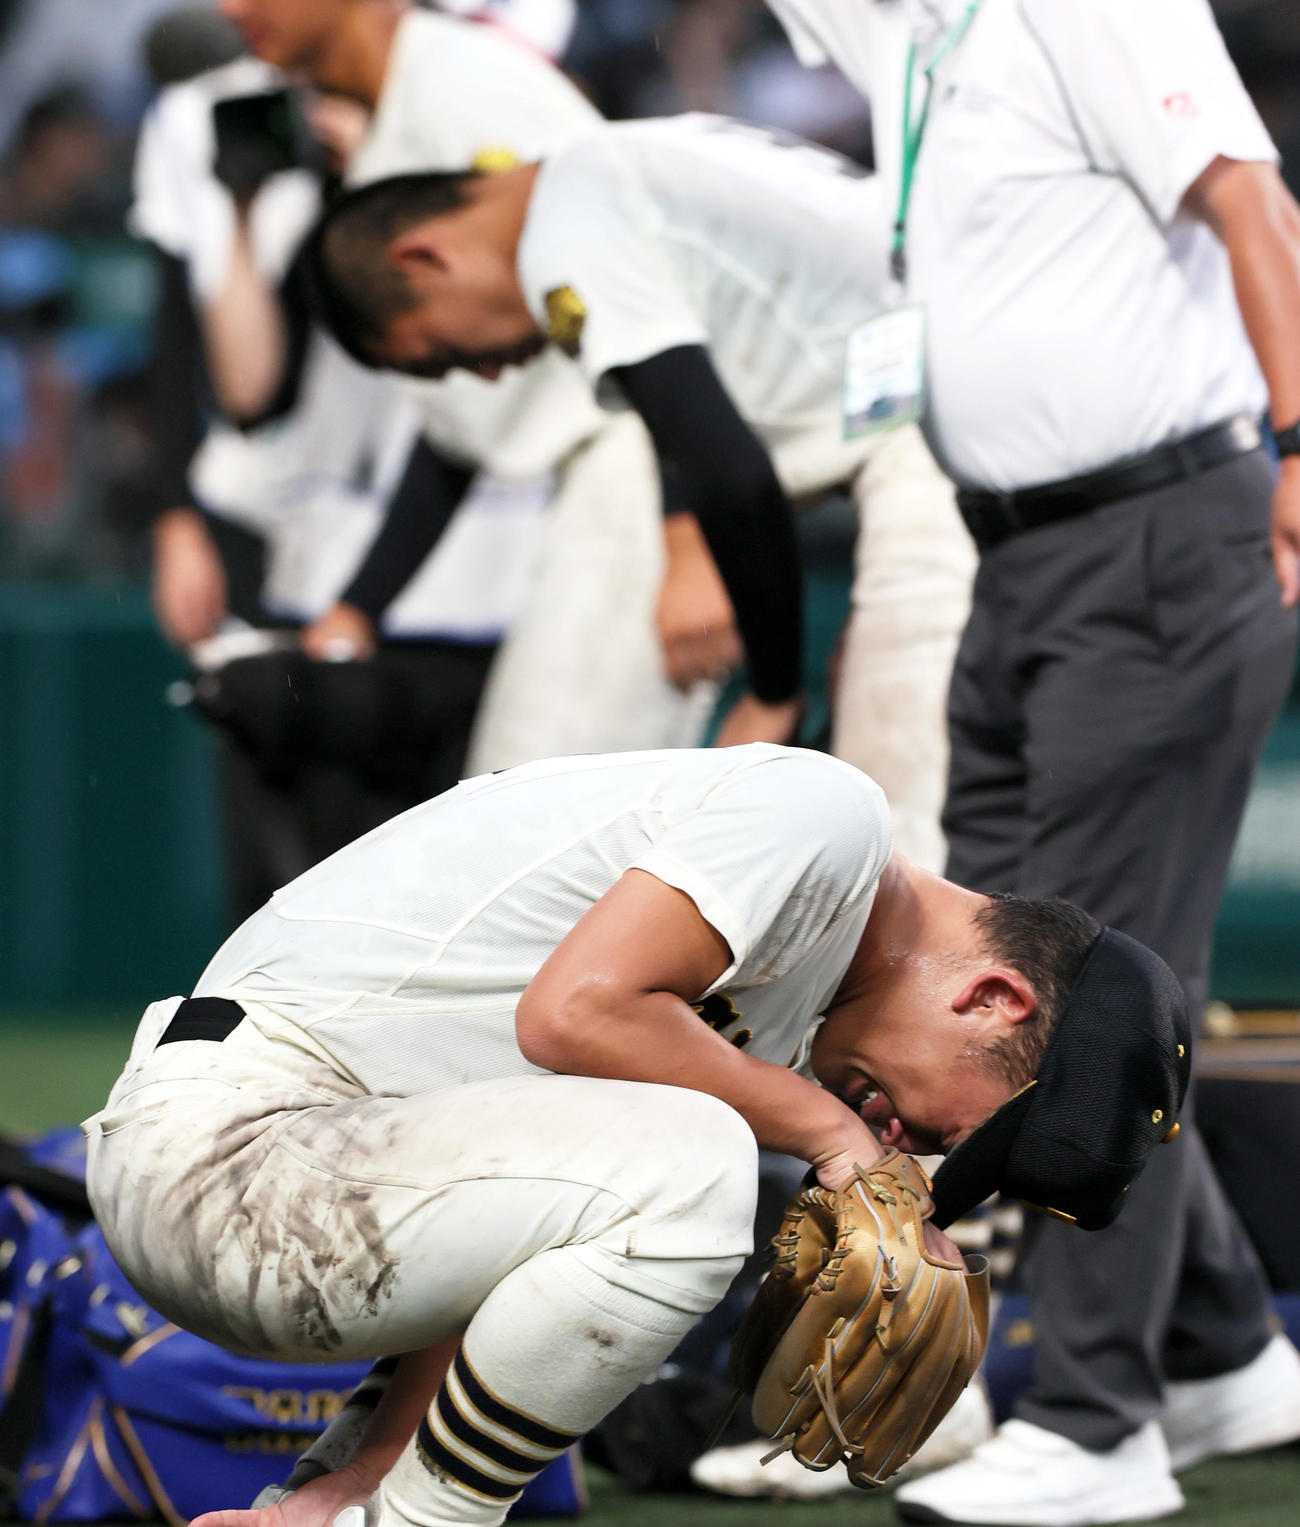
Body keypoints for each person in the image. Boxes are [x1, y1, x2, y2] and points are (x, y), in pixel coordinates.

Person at [84, 742, 1189, 1527]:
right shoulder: (827, 815)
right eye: (967, 1129)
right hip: (239, 1148)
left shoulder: (784, 984)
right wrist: (825, 1132)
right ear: (992, 998)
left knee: (678, 1150)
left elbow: (509, 1202)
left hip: (297, 1173)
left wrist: (356, 1477)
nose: (919, 1146)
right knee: (699, 1156)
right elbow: (573, 1010)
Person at [762, 0, 1300, 1526]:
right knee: (993, 967)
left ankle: (1098, 1412)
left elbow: (1256, 202)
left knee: (1081, 997)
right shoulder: (920, 34)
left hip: (1158, 534)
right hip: (1021, 561)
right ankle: (1218, 1347)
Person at [306, 111, 976, 866]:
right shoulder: (612, 164)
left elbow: (729, 472)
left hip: (950, 407)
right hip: (943, 385)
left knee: (905, 820)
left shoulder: (567, 228)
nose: (486, 373)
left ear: (424, 258)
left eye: (444, 354)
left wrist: (772, 690)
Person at [212, 0, 736, 768]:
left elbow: (665, 290)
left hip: (653, 461)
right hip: (624, 466)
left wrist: (690, 539)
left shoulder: (466, 91)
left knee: (543, 818)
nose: (230, 7)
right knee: (533, 810)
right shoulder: (395, 115)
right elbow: (467, 416)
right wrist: (359, 607)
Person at [135, 39, 526, 921]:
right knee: (283, 856)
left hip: (475, 543)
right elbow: (240, 389)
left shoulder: (457, 87)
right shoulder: (213, 115)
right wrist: (175, 517)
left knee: (455, 870)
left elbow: (461, 398)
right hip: (286, 529)